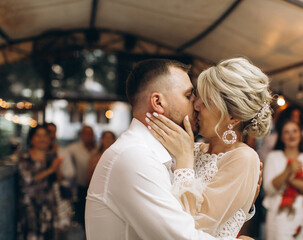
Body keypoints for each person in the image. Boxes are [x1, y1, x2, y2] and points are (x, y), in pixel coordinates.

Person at [85, 58, 257, 240]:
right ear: (158, 102)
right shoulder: (135, 157)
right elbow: (183, 234)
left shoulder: (160, 153)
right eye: (189, 95)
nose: (196, 104)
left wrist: (242, 201)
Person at [145, 57, 272, 237]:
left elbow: (192, 229)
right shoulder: (195, 149)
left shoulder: (243, 158)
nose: (195, 105)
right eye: (197, 95)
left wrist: (184, 160)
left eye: (206, 101)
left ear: (233, 117)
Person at [263, 120, 303, 240]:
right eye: (287, 132)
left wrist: (292, 181)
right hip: (279, 214)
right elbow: (269, 188)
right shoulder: (273, 157)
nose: (291, 135)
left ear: (300, 135)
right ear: (281, 137)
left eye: (294, 131)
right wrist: (288, 171)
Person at [17, 125, 63, 239]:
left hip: (49, 204)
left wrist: (57, 168)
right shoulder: (24, 156)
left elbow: (58, 179)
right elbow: (28, 180)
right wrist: (51, 169)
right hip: (31, 206)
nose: (42, 139)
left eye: (45, 136)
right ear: (32, 139)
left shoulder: (51, 155)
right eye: (38, 135)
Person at [62, 125, 97, 227]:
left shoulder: (99, 148)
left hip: (98, 188)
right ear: (81, 135)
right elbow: (61, 153)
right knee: (82, 218)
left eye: (90, 133)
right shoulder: (74, 148)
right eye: (86, 133)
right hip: (82, 188)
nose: (89, 136)